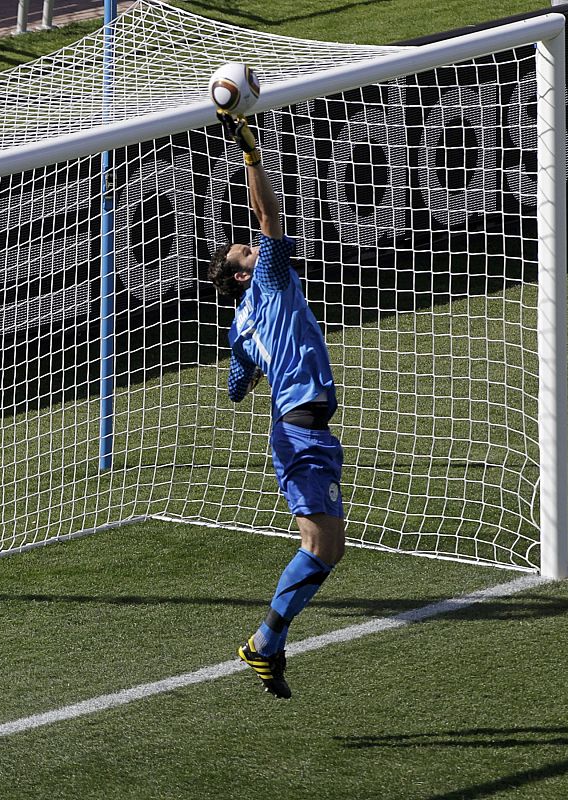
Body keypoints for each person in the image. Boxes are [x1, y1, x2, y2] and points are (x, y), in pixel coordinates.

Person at [208, 112, 345, 699]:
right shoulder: (268, 282)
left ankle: (266, 644)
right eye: (245, 253)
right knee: (322, 546)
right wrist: (252, 156)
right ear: (245, 277)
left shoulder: (241, 327)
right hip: (300, 430)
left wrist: (260, 359)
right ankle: (264, 643)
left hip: (301, 428)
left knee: (328, 546)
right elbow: (269, 218)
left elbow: (238, 385)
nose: (253, 246)